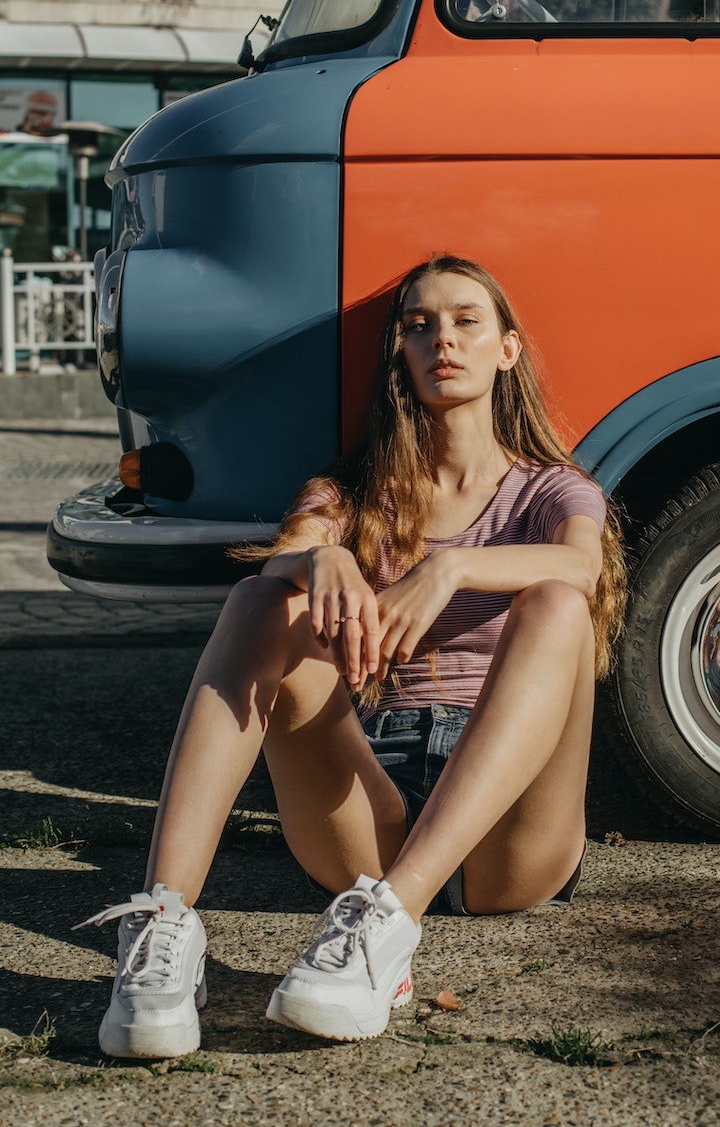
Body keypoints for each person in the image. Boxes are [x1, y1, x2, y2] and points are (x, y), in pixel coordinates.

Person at [75, 254, 626, 1059]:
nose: (444, 339)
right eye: (418, 325)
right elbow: (280, 564)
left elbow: (580, 565)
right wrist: (316, 559)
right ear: (399, 353)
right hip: (374, 811)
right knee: (263, 600)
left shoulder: (552, 491)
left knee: (554, 602)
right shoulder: (347, 492)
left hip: (513, 827)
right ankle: (162, 926)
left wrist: (453, 566)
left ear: (508, 348)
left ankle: (389, 930)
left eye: (467, 320)